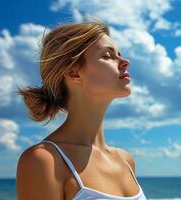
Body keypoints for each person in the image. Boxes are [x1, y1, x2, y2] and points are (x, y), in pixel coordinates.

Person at [16, 19, 147, 200]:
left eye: (119, 54)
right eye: (108, 56)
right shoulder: (44, 161)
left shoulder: (126, 161)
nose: (125, 62)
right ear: (73, 73)